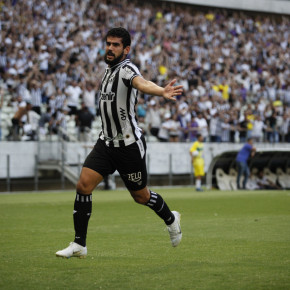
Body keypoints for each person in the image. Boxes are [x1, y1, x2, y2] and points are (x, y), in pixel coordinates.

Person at [56, 27, 183, 259]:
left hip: (128, 145)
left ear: (126, 49)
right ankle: (79, 245)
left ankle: (171, 219)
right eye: (108, 43)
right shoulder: (107, 70)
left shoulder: (126, 69)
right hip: (106, 143)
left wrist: (161, 91)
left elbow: (141, 83)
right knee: (83, 185)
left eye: (115, 45)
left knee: (141, 197)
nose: (110, 48)